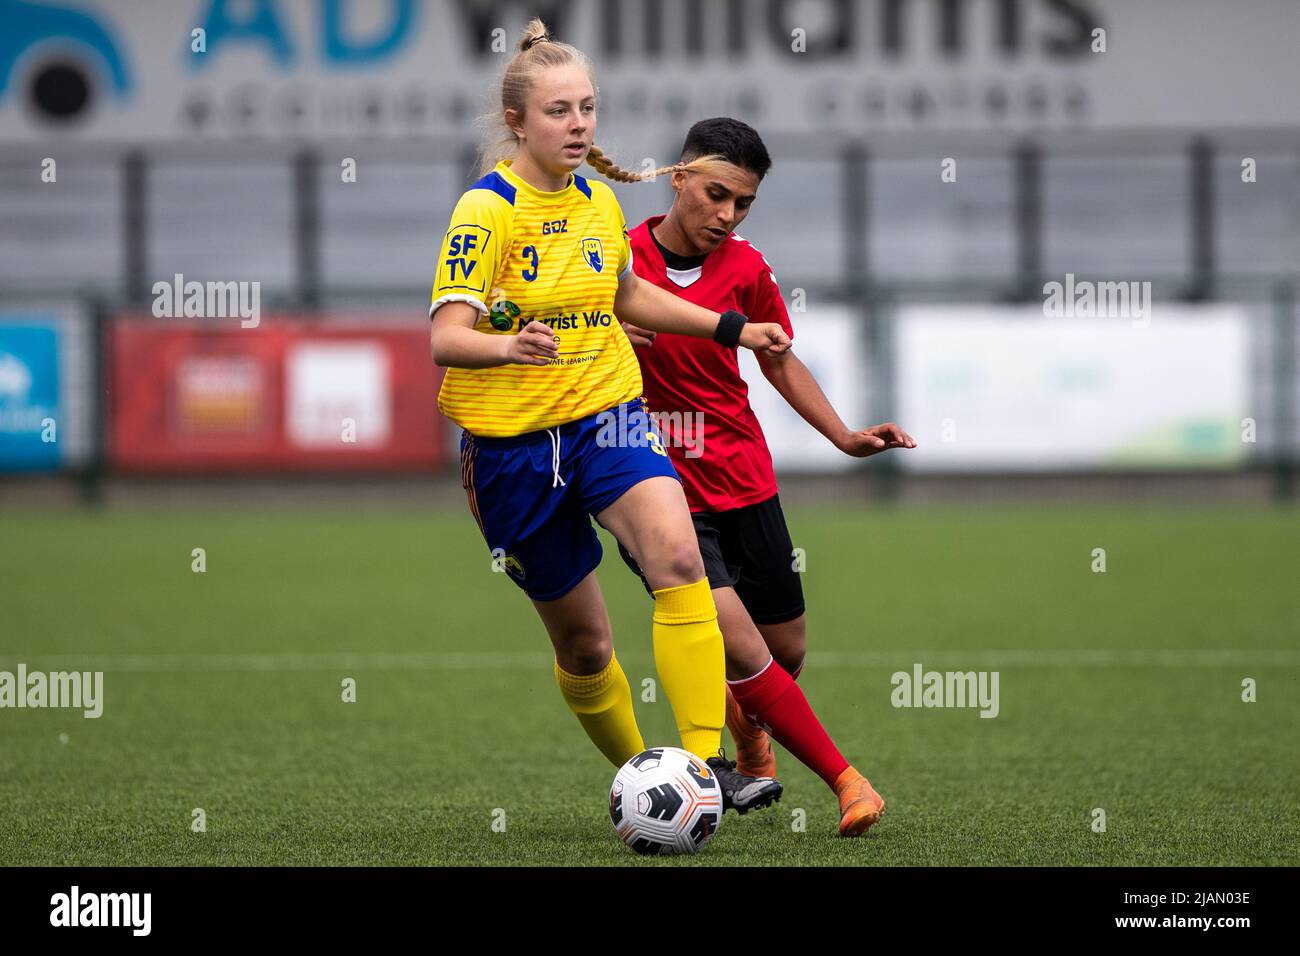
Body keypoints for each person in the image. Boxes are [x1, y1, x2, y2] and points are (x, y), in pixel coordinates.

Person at [428, 21, 790, 815]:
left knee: (679, 562)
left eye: (588, 108)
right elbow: (445, 337)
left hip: (607, 419)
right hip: (511, 452)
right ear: (519, 122)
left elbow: (626, 295)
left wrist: (730, 327)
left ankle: (700, 770)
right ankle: (642, 775)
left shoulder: (597, 197)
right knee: (586, 644)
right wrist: (505, 347)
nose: (580, 125)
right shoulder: (484, 211)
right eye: (559, 111)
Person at [618, 117, 917, 836]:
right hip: (650, 480)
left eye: (743, 203)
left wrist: (844, 436)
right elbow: (563, 329)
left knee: (785, 651)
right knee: (737, 636)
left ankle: (750, 736)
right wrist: (604, 335)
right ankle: (846, 781)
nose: (727, 215)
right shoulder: (617, 258)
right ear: (678, 177)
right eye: (717, 194)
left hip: (741, 470)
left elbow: (778, 358)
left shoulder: (748, 268)